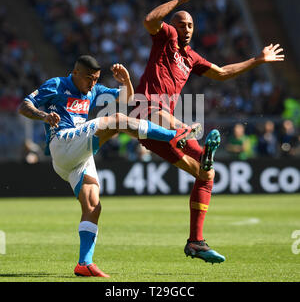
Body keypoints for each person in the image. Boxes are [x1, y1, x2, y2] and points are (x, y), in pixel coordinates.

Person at [135, 0, 285, 263]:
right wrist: (180, 1)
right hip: (146, 111)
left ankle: (196, 242)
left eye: (190, 26)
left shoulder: (190, 57)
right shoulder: (165, 37)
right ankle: (193, 141)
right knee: (178, 125)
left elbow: (222, 72)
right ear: (174, 26)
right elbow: (150, 20)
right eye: (181, 24)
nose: (186, 29)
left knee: (206, 174)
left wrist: (258, 60)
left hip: (161, 127)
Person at [18, 55, 202, 278]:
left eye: (96, 79)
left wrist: (126, 82)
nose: (93, 84)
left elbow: (128, 99)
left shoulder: (92, 91)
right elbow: (24, 105)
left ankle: (84, 264)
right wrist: (44, 115)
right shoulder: (57, 85)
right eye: (89, 78)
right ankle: (175, 135)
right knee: (114, 120)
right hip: (63, 142)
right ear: (75, 73)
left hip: (77, 156)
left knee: (93, 205)